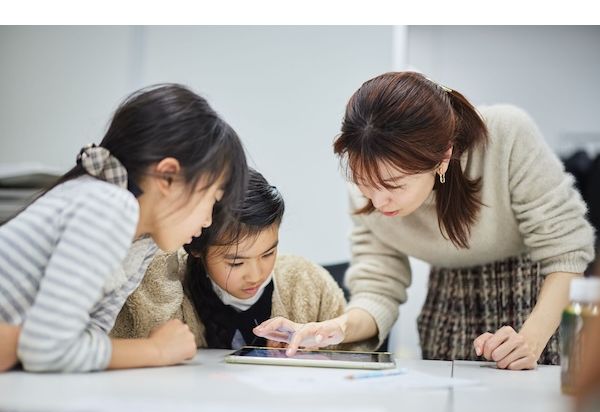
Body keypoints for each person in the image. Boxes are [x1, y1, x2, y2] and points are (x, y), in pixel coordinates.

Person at [254, 71, 596, 370]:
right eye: (364, 183)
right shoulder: (369, 190)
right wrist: (334, 329)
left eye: (393, 185)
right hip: (449, 305)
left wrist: (531, 339)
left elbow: (567, 251)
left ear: (443, 157)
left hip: (541, 298)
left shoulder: (506, 134)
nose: (377, 200)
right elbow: (378, 288)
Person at [0, 84, 248, 373]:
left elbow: (83, 338)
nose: (208, 220)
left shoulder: (143, 243)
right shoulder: (110, 205)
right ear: (167, 176)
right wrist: (156, 350)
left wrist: (24, 343)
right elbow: (50, 350)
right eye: (212, 200)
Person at [111, 168, 377, 351]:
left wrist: (316, 350)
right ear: (196, 247)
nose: (256, 274)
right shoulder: (165, 284)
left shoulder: (307, 282)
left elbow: (355, 355)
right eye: (236, 263)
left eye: (269, 253)